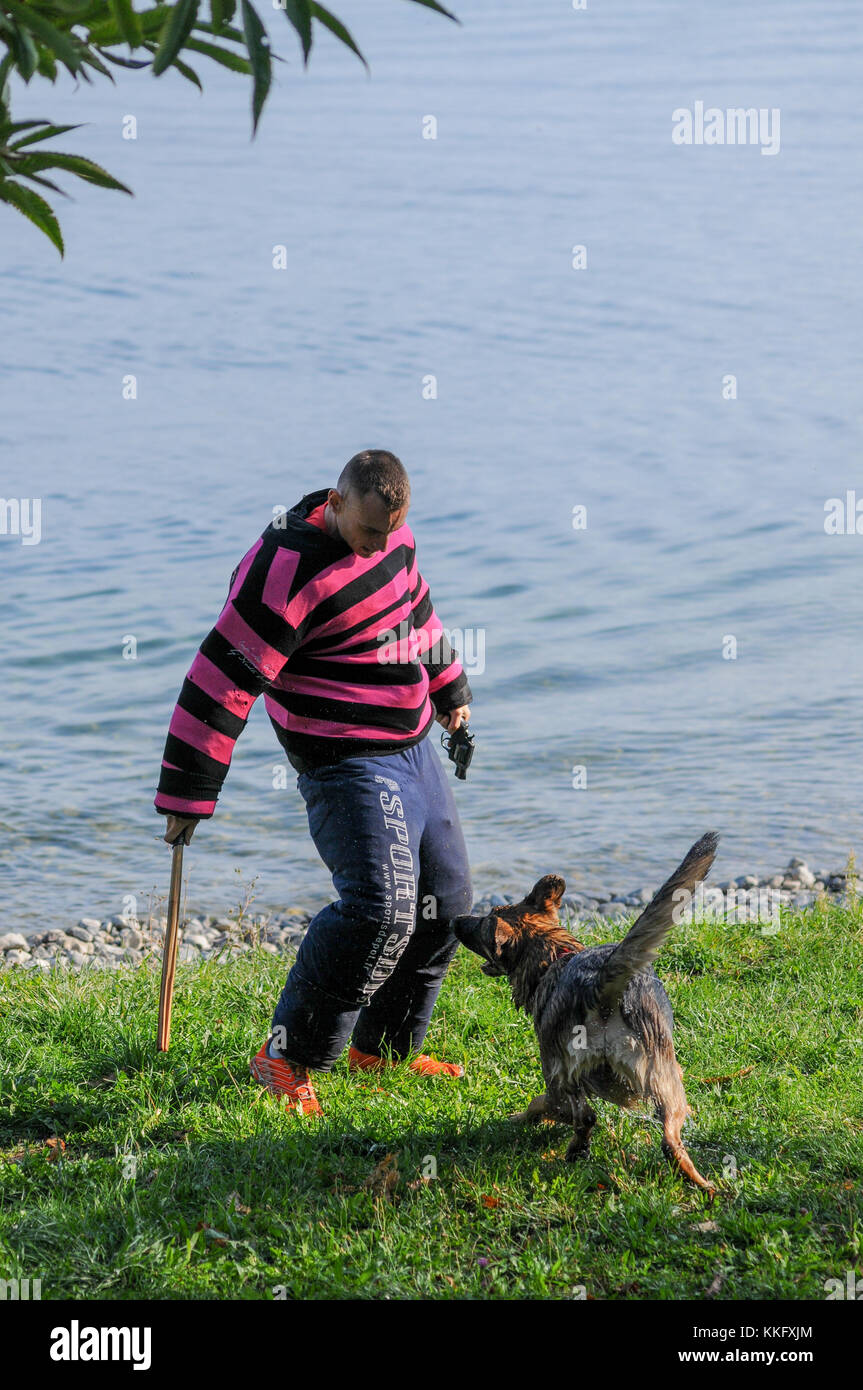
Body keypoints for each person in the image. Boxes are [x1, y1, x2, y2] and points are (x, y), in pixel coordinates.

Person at [154, 450, 473, 1116]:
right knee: (378, 909)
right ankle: (285, 1057)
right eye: (366, 536)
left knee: (444, 899)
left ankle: (380, 1050)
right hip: (344, 760)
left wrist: (449, 690)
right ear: (334, 501)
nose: (376, 548)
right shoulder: (281, 571)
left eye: (388, 535)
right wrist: (189, 794)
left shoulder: (393, 538)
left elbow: (417, 612)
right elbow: (222, 679)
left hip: (413, 744)